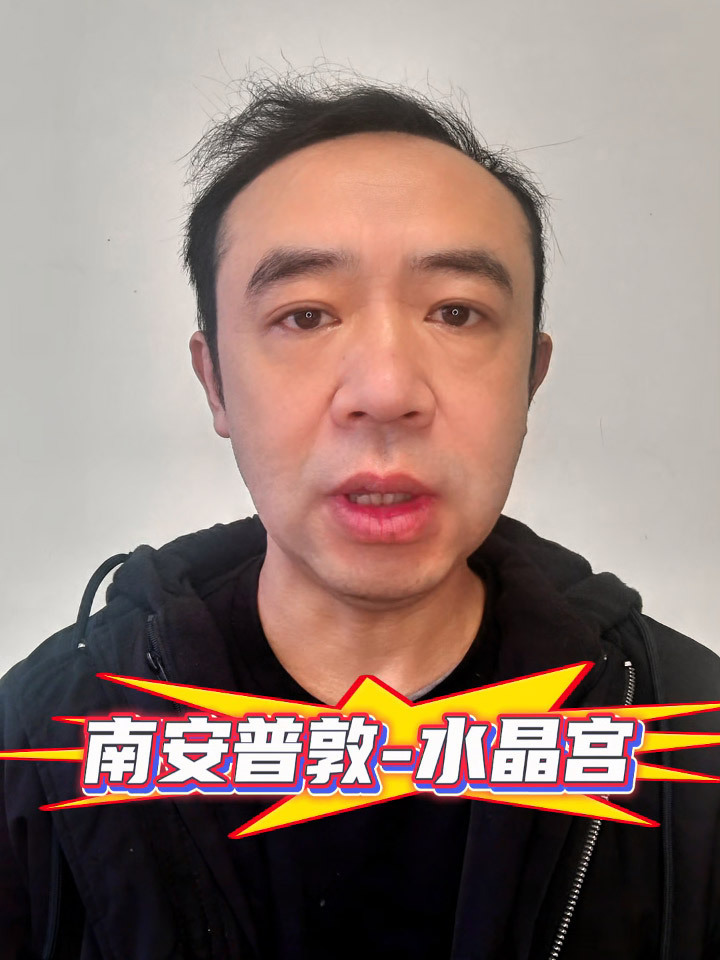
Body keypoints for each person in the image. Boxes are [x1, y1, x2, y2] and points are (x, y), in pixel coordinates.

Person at [1, 76, 719, 960]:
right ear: (215, 380)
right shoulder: (45, 742)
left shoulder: (689, 733)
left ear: (530, 380)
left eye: (456, 312)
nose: (385, 391)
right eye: (305, 315)